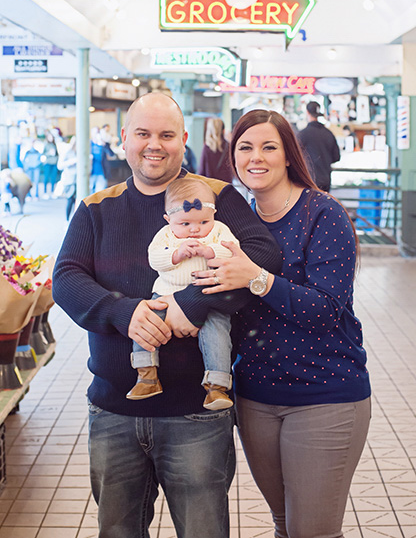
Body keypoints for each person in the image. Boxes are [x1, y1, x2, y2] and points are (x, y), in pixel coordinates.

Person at [52, 92, 281, 538]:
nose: (154, 144)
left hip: (195, 412)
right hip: (114, 409)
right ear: (124, 139)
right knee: (117, 530)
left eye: (166, 134)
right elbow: (66, 279)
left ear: (182, 140)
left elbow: (261, 255)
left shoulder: (216, 198)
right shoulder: (97, 207)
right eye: (143, 133)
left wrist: (190, 304)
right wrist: (123, 313)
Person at [192, 109, 371, 538]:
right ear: (232, 157)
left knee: (313, 531)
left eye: (268, 146)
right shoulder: (235, 223)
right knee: (284, 525)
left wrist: (257, 278)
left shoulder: (322, 214)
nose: (256, 157)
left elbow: (327, 310)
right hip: (255, 398)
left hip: (324, 395)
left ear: (288, 155)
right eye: (245, 147)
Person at [127, 177, 239, 411]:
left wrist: (210, 250)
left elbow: (233, 252)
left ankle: (217, 386)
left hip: (208, 297)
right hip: (165, 294)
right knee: (145, 321)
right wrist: (176, 255)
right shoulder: (166, 235)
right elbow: (154, 258)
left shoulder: (218, 231)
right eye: (185, 224)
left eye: (203, 221)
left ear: (214, 215)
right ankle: (146, 374)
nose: (195, 229)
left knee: (218, 330)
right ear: (169, 220)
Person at [298, 101, 340, 192]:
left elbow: (294, 156)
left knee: (309, 205)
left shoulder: (302, 134)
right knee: (323, 205)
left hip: (309, 181)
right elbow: (336, 157)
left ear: (307, 112)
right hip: (326, 180)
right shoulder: (328, 133)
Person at [198, 117, 233, 183]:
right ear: (223, 130)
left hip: (210, 187)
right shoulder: (228, 146)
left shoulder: (207, 148)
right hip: (225, 186)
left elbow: (202, 171)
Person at [57, 136, 77, 221]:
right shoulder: (67, 151)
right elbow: (60, 166)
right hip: (70, 180)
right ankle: (68, 220)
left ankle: (75, 220)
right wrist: (71, 162)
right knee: (70, 200)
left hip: (78, 180)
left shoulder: (82, 151)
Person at [41, 131, 59, 198]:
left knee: (53, 178)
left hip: (54, 163)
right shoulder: (46, 144)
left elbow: (57, 154)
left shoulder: (54, 145)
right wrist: (49, 153)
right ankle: (45, 192)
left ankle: (52, 192)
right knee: (46, 177)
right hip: (48, 163)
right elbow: (43, 154)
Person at [90, 127, 107, 193]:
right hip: (91, 172)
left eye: (98, 132)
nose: (96, 134)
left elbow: (111, 154)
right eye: (95, 132)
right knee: (90, 191)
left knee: (100, 192)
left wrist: (104, 144)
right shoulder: (89, 144)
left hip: (101, 172)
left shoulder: (103, 145)